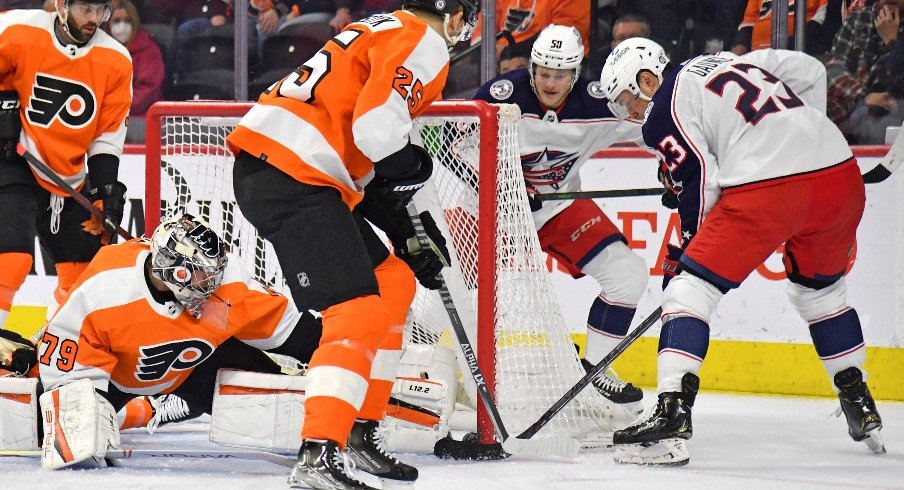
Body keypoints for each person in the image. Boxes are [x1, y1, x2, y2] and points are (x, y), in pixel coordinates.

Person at [225, 0, 479, 488]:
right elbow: (377, 133)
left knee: (394, 281)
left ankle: (360, 430)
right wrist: (416, 169)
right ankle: (319, 451)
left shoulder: (376, 27)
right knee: (357, 312)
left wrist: (406, 228)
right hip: (295, 174)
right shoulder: (423, 41)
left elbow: (357, 148)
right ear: (450, 15)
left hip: (290, 168)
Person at [599, 38, 884, 466]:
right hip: (840, 178)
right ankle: (859, 400)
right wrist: (807, 142)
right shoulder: (731, 62)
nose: (630, 114)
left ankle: (672, 414)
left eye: (626, 101)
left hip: (771, 187)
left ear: (646, 78)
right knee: (820, 295)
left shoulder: (661, 108)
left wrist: (687, 249)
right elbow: (810, 71)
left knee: (688, 292)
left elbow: (701, 179)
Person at [34, 213, 324, 469]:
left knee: (283, 412)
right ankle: (150, 407)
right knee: (70, 437)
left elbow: (299, 333)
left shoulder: (228, 282)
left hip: (195, 366)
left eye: (214, 272)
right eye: (201, 275)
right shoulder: (105, 288)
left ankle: (164, 401)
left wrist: (344, 361)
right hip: (115, 378)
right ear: (170, 267)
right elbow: (67, 368)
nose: (212, 284)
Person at [473, 24, 649, 417]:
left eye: (561, 75)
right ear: (532, 66)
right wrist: (506, 187)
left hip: (557, 209)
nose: (550, 83)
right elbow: (454, 149)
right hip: (489, 213)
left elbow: (653, 131)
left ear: (576, 73)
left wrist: (681, 167)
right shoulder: (500, 98)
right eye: (544, 73)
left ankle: (597, 370)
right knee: (444, 289)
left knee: (628, 274)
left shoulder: (598, 105)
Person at [0, 1, 131, 333]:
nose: (93, 19)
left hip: (70, 175)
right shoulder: (18, 29)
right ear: (62, 5)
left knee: (86, 281)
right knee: (10, 259)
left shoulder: (116, 59)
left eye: (100, 10)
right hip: (15, 159)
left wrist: (104, 190)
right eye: (85, 8)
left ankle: (53, 357)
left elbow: (106, 136)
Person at [825, 0, 904, 141]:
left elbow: (897, 79)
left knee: (881, 122)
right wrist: (865, 96)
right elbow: (833, 70)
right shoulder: (858, 20)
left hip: (896, 109)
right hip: (855, 108)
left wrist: (891, 42)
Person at [105, 0, 163, 144]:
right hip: (108, 115)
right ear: (108, 25)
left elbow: (147, 91)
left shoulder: (149, 50)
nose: (122, 26)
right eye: (116, 21)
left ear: (135, 23)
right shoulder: (101, 50)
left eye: (127, 21)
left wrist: (117, 106)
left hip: (140, 117)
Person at [730, 0, 831, 56]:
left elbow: (821, 17)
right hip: (757, 58)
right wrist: (739, 46)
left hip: (798, 56)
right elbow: (749, 21)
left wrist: (789, 48)